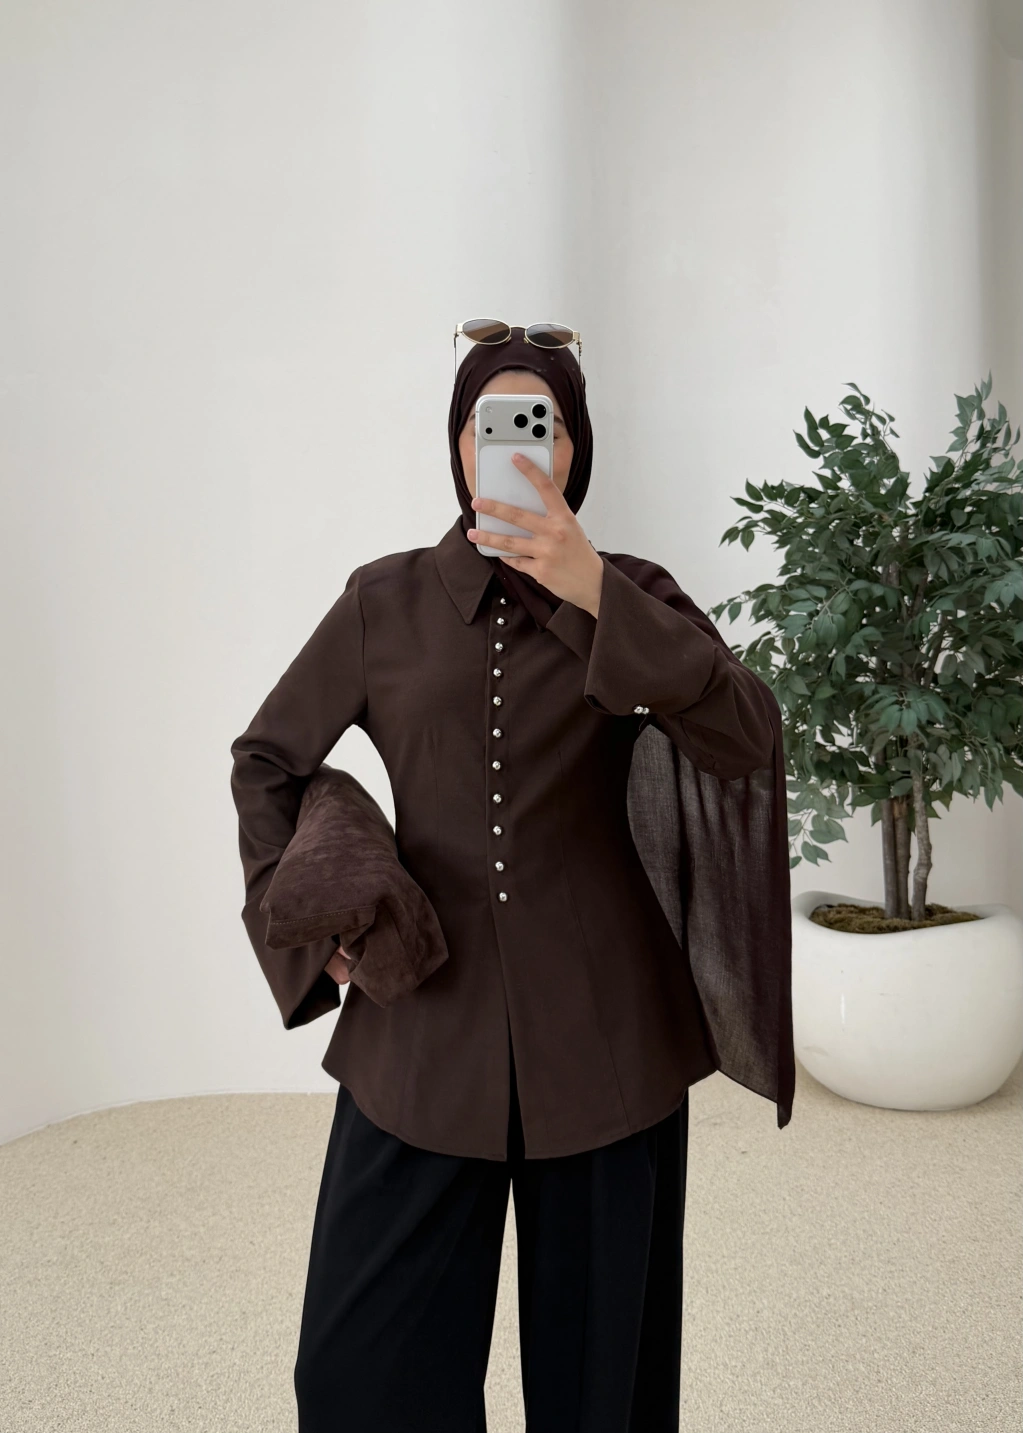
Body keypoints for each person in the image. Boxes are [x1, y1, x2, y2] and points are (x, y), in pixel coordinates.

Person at [229, 325, 788, 1432]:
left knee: (602, 1394)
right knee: (356, 1376)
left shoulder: (633, 592)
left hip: (607, 1040)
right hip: (419, 1027)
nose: (525, 445)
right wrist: (318, 930)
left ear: (577, 450)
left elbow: (747, 735)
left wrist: (595, 592)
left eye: (549, 424)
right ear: (458, 442)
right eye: (496, 422)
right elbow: (267, 760)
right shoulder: (383, 600)